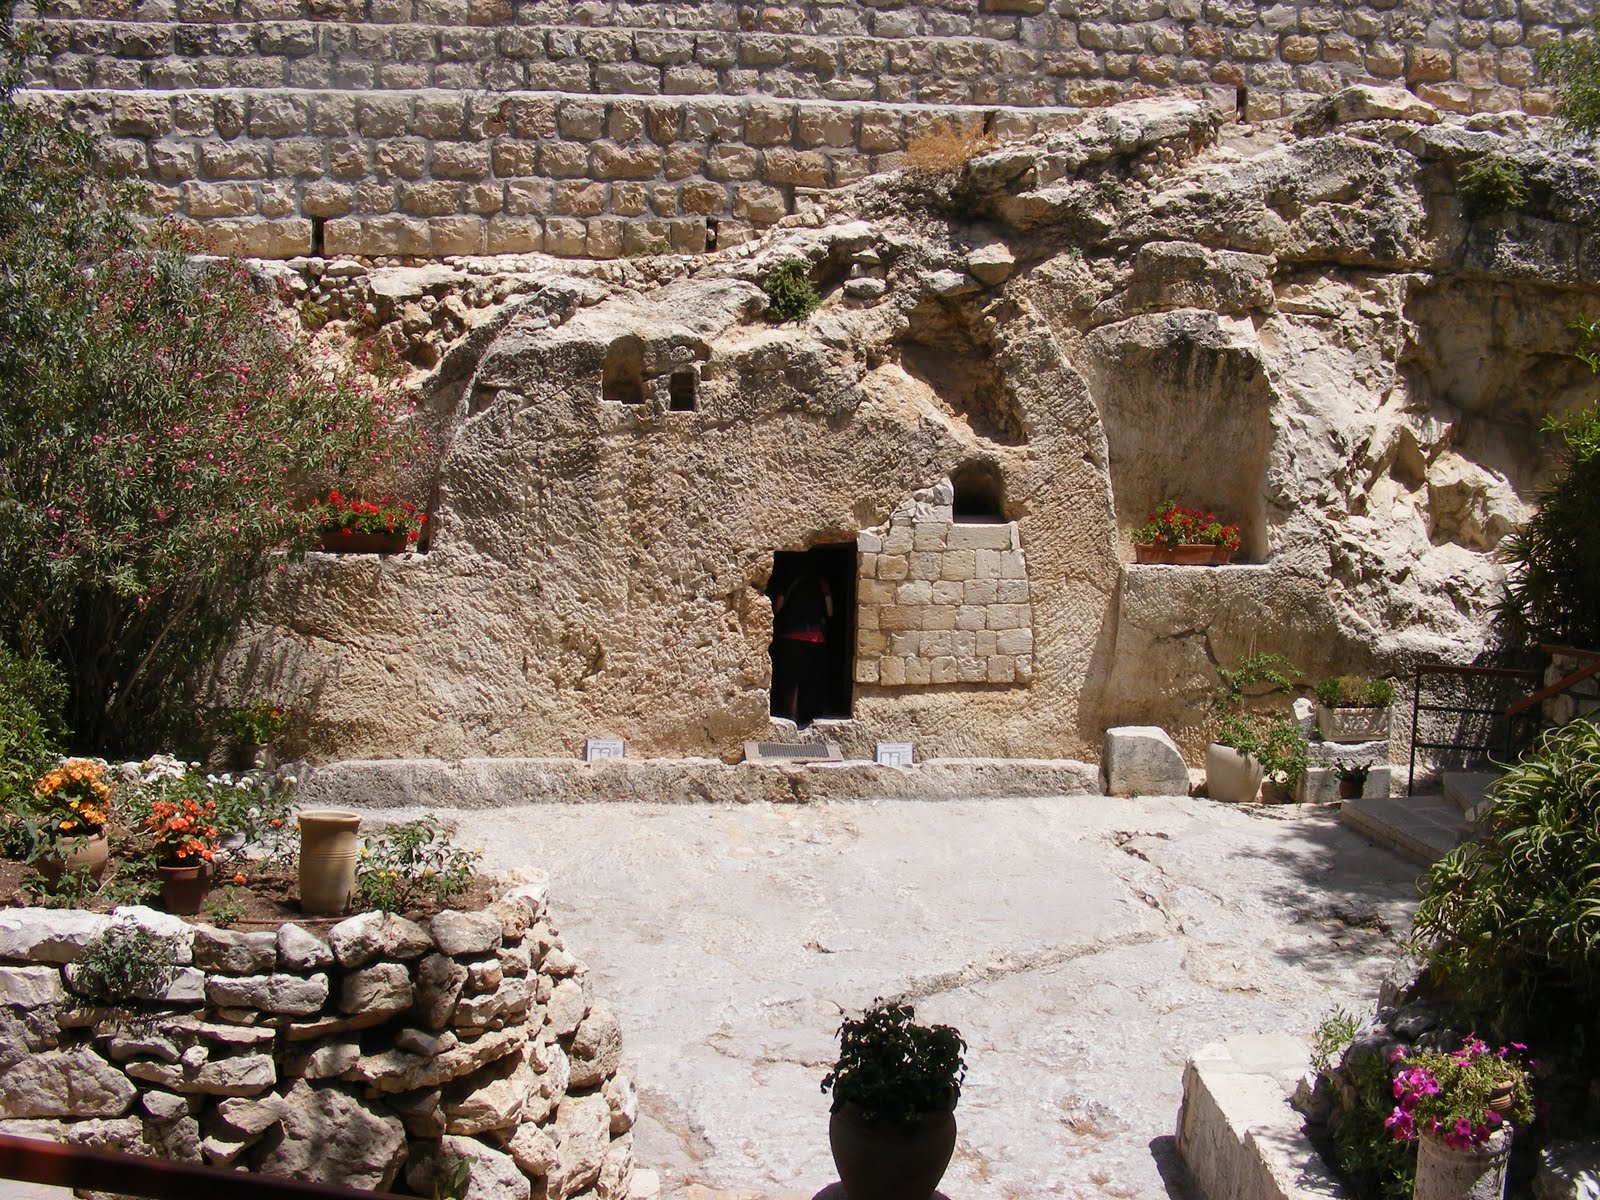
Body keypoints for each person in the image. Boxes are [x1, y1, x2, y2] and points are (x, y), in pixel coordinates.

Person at [771, 570, 833, 726]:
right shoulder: (821, 582)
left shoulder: (789, 579)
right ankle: (809, 715)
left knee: (790, 679)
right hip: (815, 638)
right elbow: (830, 610)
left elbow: (778, 606)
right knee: (811, 677)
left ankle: (790, 714)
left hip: (790, 636)